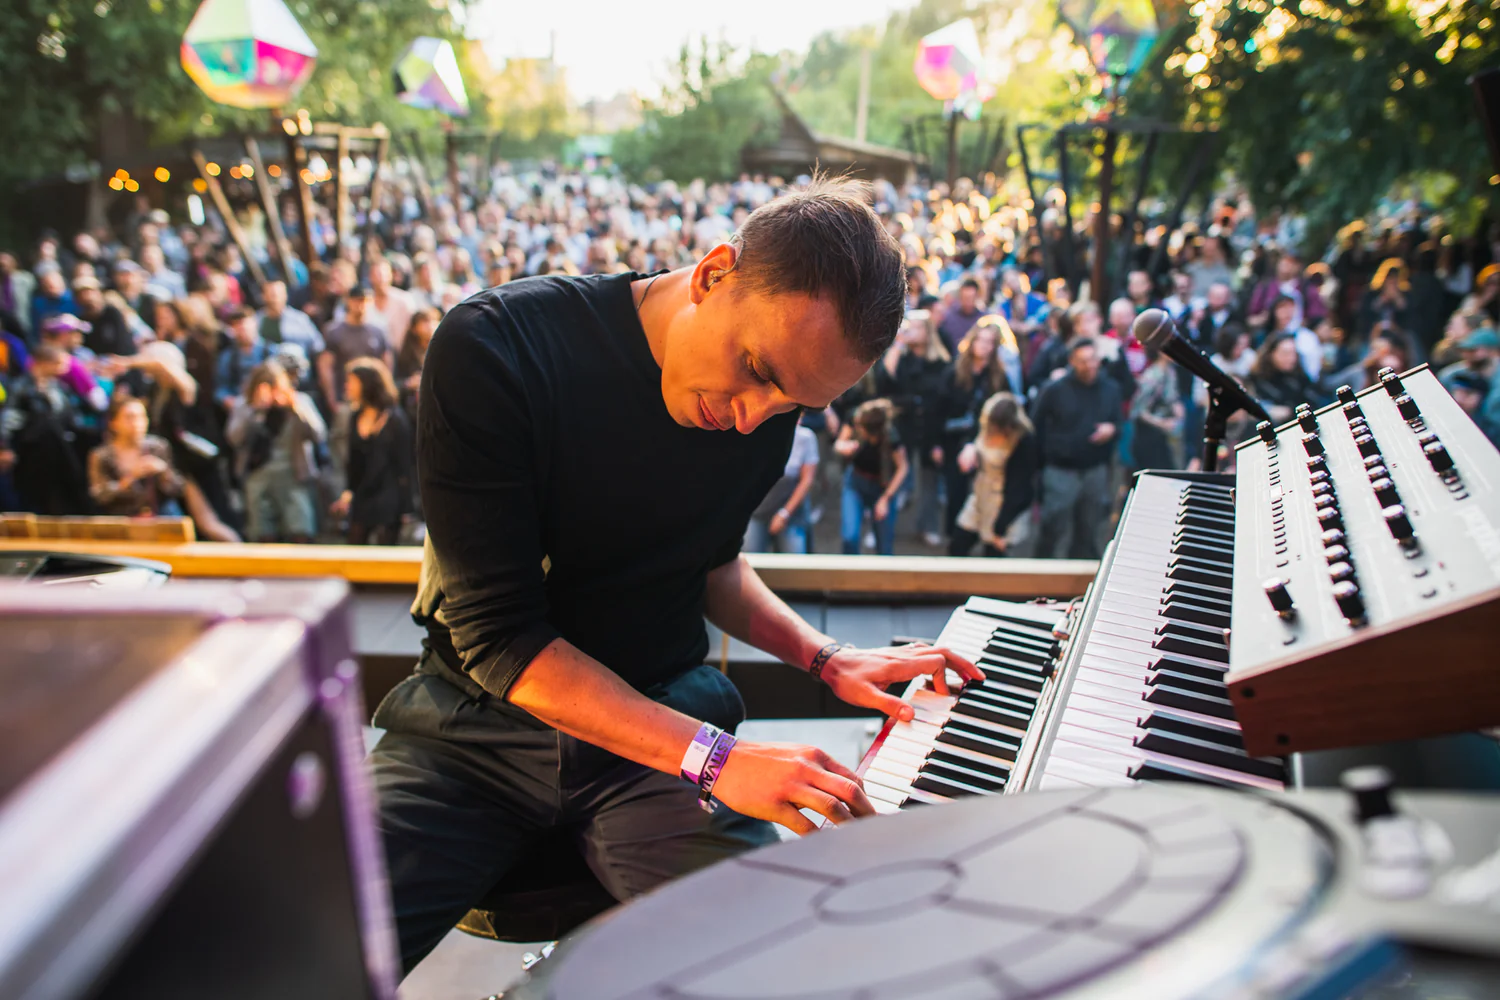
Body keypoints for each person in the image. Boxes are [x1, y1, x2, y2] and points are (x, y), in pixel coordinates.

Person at [370, 178, 983, 974]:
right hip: (473, 728)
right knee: (304, 959)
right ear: (714, 273)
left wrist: (823, 657)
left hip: (657, 719)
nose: (751, 418)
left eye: (794, 405)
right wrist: (719, 759)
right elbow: (501, 641)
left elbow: (711, 562)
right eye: (756, 370)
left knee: (791, 965)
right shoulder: (496, 347)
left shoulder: (765, 407)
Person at [1033, 338, 1123, 560]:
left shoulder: (1111, 389)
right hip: (1061, 471)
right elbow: (1035, 426)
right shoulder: (1054, 390)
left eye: (1092, 360)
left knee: (1089, 529)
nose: (1089, 366)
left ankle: (1080, 579)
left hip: (1095, 470)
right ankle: (1041, 574)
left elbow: (1119, 422)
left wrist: (1111, 430)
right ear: (1072, 361)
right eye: (1083, 361)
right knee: (1053, 527)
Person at [226, 361, 326, 543]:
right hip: (258, 475)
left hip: (294, 475)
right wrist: (254, 410)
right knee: (262, 531)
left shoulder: (300, 402)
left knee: (300, 529)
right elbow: (234, 438)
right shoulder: (245, 405)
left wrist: (296, 409)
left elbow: (318, 435)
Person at [874, 310, 949, 546]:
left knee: (928, 481)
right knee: (893, 476)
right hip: (902, 427)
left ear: (927, 332)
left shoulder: (940, 363)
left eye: (915, 327)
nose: (910, 331)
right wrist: (897, 345)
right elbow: (883, 383)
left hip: (929, 429)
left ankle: (927, 527)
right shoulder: (901, 358)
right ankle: (882, 527)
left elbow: (943, 402)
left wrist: (939, 441)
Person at [932, 320, 1011, 535]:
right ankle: (954, 537)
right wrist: (935, 444)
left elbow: (1006, 410)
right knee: (955, 493)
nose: (984, 346)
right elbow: (938, 410)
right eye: (981, 340)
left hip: (986, 443)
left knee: (982, 492)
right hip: (953, 442)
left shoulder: (998, 377)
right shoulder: (954, 373)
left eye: (990, 342)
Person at [331, 358, 413, 545]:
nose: (347, 386)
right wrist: (348, 492)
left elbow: (404, 465)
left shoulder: (395, 419)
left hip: (388, 497)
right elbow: (354, 461)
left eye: (351, 381)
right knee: (354, 546)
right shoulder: (354, 417)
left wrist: (407, 507)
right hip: (363, 495)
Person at [1, 344, 90, 514]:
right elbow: (9, 420)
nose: (63, 369)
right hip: (30, 453)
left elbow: (71, 418)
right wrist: (5, 447)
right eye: (57, 364)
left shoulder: (58, 388)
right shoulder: (21, 388)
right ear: (43, 363)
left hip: (58, 454)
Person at [949, 392, 1038, 557]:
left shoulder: (1023, 442)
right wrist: (969, 449)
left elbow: (1020, 488)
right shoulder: (984, 427)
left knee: (993, 555)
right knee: (958, 544)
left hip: (1003, 503)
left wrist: (1000, 528)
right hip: (980, 495)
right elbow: (972, 438)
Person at [87, 396, 185, 516]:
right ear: (114, 423)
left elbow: (179, 488)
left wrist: (163, 471)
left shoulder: (157, 447)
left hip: (159, 514)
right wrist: (129, 479)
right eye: (130, 418)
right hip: (122, 517)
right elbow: (99, 495)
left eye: (142, 417)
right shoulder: (102, 456)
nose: (137, 423)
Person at [835, 398, 909, 555]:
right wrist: (845, 447)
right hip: (856, 482)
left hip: (882, 486)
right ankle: (849, 575)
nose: (858, 428)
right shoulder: (856, 416)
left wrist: (885, 499)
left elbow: (903, 468)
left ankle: (884, 578)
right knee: (850, 537)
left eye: (860, 428)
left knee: (884, 544)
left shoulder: (891, 435)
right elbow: (838, 444)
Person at [744, 412, 818, 554]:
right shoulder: (757, 433)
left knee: (793, 560)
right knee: (751, 557)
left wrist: (784, 514)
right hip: (756, 510)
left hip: (789, 510)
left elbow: (807, 479)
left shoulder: (805, 438)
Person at [319, 285, 391, 408]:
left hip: (372, 398)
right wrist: (331, 397)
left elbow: (386, 364)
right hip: (345, 396)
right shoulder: (334, 331)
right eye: (357, 300)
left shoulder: (378, 332)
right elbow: (325, 365)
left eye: (365, 300)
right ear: (348, 301)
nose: (361, 304)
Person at [1130, 347, 1185, 470]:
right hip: (1149, 437)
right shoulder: (1152, 375)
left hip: (1165, 436)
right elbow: (1138, 411)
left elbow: (1171, 397)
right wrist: (1162, 423)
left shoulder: (1170, 372)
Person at [1251, 333, 1321, 425]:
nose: (1291, 358)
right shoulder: (1259, 378)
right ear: (1271, 353)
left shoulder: (1298, 372)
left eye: (1293, 353)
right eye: (1285, 353)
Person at [216, 306, 269, 409]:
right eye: (237, 326)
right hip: (240, 405)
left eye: (245, 325)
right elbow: (221, 387)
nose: (242, 330)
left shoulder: (270, 351)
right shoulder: (227, 357)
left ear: (255, 324)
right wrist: (227, 399)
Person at [256, 279, 324, 359]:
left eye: (278, 294)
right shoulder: (257, 320)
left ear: (286, 295)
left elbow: (317, 345)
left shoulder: (299, 319)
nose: (275, 298)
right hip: (267, 366)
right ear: (263, 296)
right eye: (272, 294)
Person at [73, 275, 134, 358]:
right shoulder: (82, 321)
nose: (88, 296)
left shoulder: (112, 313)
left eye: (91, 291)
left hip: (121, 360)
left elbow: (122, 342)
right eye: (83, 293)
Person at [394, 306, 438, 419]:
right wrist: (409, 383)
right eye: (424, 322)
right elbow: (395, 383)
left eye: (432, 321)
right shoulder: (406, 355)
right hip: (414, 409)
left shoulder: (441, 349)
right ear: (414, 328)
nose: (429, 326)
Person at [936, 278, 987, 354]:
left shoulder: (984, 319)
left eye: (971, 298)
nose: (968, 302)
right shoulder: (948, 316)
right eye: (965, 298)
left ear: (977, 297)